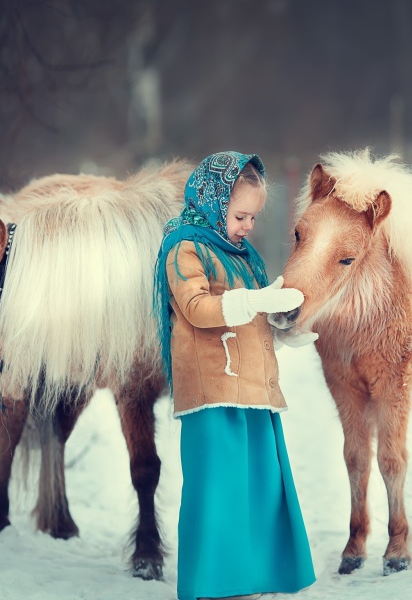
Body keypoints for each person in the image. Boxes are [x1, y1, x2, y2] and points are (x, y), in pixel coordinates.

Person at [153, 151, 317, 600]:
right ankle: (213, 582)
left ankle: (261, 573)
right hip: (213, 393)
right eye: (240, 215)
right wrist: (256, 302)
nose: (247, 226)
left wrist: (283, 330)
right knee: (219, 489)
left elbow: (253, 315)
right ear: (213, 199)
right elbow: (197, 308)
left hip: (254, 391)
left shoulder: (243, 256)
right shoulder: (184, 247)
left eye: (253, 217)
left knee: (262, 485)